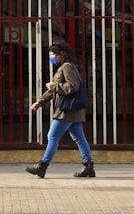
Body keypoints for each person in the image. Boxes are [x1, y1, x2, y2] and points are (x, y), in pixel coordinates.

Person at [26, 41, 95, 179]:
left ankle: (42, 166)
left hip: (67, 110)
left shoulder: (67, 67)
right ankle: (88, 167)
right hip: (73, 110)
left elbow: (73, 86)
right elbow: (54, 90)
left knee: (52, 136)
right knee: (79, 138)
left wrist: (55, 87)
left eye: (54, 54)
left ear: (61, 54)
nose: (52, 57)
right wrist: (40, 102)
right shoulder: (64, 67)